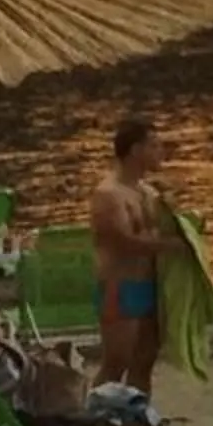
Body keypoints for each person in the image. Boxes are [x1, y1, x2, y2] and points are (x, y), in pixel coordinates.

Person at [90, 117, 177, 394]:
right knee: (117, 361)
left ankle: (136, 418)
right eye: (154, 146)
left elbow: (160, 231)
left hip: (149, 284)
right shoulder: (109, 194)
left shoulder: (149, 193)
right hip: (120, 286)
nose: (160, 152)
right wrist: (170, 246)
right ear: (136, 150)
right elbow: (122, 242)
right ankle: (97, 417)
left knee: (144, 361)